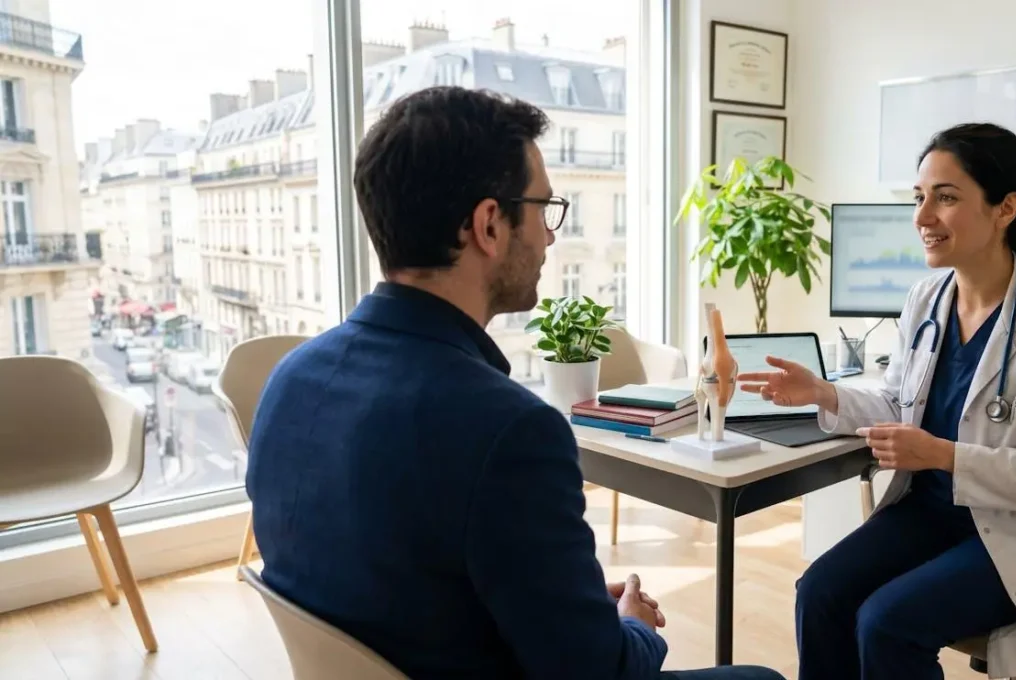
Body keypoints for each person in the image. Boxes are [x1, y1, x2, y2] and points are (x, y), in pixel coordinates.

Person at [243, 87, 786, 680]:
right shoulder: (508, 430)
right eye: (543, 208)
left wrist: (558, 600)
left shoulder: (288, 380)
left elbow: (392, 575)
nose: (551, 236)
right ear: (489, 225)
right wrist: (632, 624)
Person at [739, 122, 1016, 680]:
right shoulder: (927, 297)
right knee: (819, 591)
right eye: (920, 198)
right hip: (929, 513)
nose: (922, 218)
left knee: (886, 623)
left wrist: (943, 456)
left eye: (946, 197)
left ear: (1005, 207)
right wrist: (824, 393)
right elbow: (899, 406)